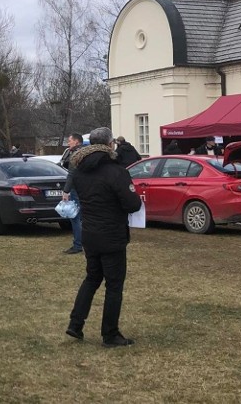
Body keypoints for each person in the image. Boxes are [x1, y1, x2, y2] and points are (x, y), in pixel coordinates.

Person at [65, 127, 142, 347]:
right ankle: (110, 333)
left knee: (92, 278)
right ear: (110, 145)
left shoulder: (80, 170)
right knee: (114, 285)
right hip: (112, 234)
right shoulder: (116, 171)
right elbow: (132, 204)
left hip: (90, 232)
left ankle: (75, 323)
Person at [61, 133, 85, 254]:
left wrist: (66, 191)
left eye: (69, 141)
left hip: (76, 189)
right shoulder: (87, 153)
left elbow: (72, 174)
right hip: (87, 188)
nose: (68, 143)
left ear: (76, 141)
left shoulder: (75, 155)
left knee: (75, 217)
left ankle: (78, 245)